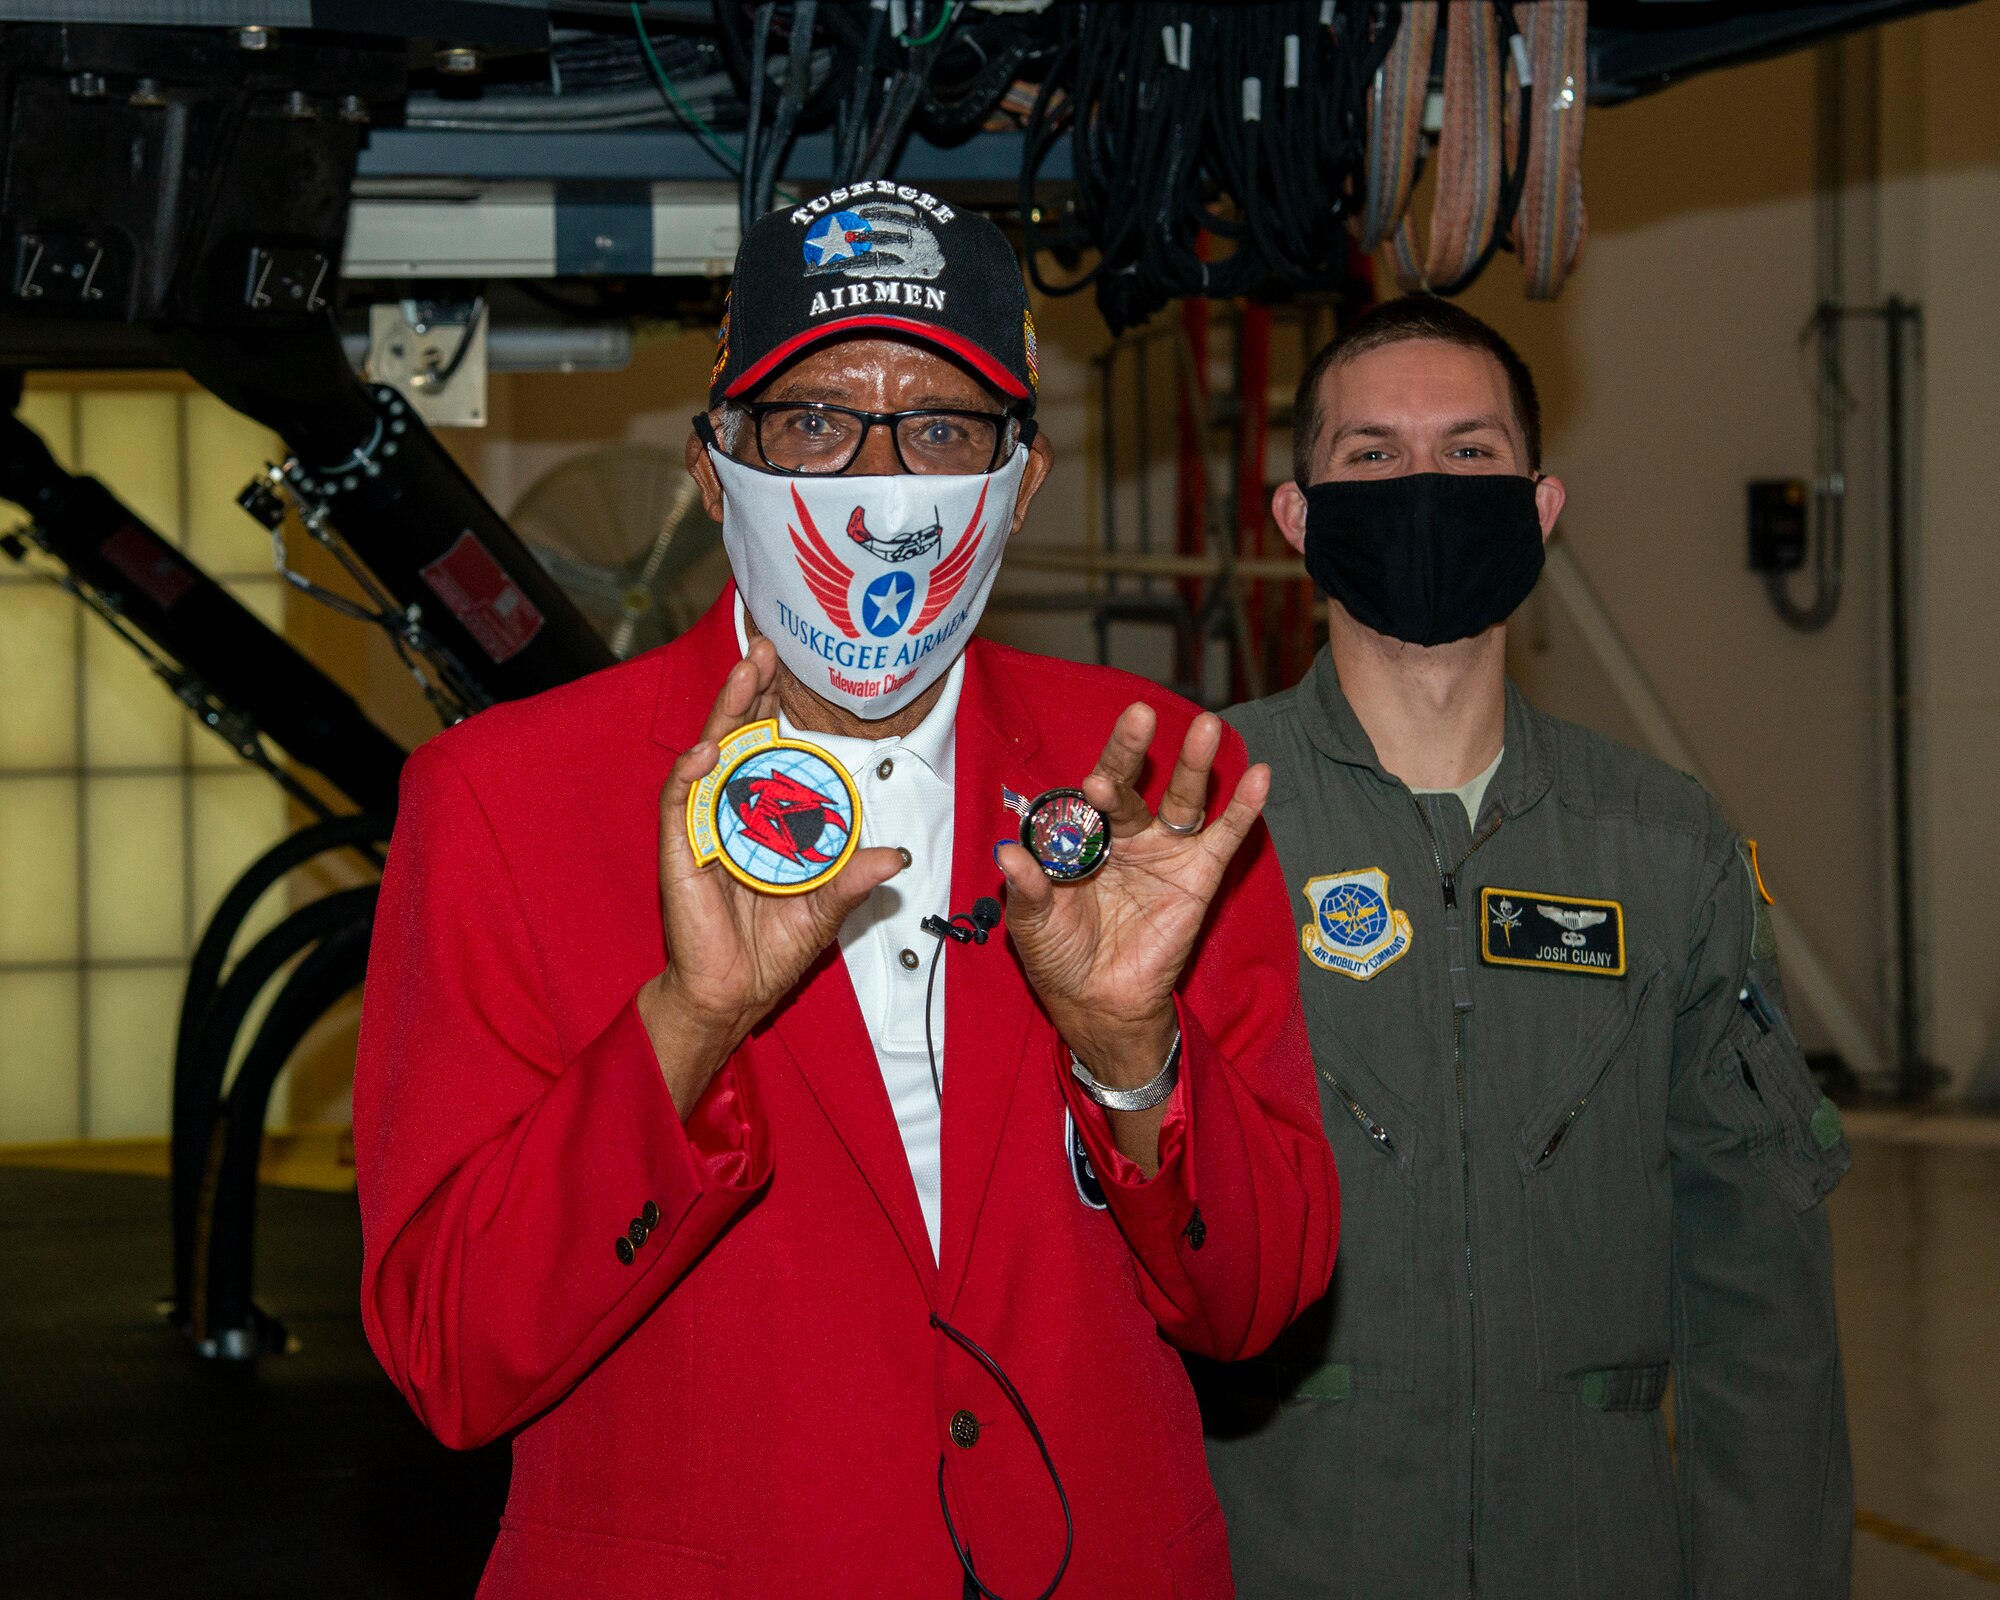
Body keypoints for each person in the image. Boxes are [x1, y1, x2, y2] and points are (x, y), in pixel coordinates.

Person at [354, 189, 1338, 1600]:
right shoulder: (506, 799)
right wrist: (689, 1028)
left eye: (943, 427)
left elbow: (1257, 1302)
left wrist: (1134, 1060)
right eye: (813, 419)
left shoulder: (1147, 788)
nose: (881, 480)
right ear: (714, 466)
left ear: (1026, 474)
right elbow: (449, 1353)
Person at [1199, 296, 1852, 1598]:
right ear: (1297, 515)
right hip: (1273, 1551)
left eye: (1470, 451)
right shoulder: (1195, 822)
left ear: (1542, 506)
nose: (1424, 484)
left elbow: (1760, 1304)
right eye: (1373, 455)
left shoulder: (1665, 847)